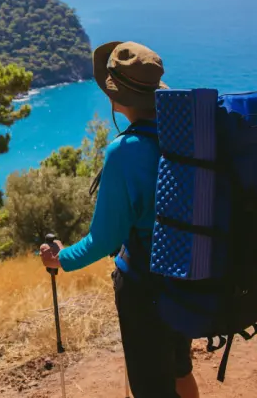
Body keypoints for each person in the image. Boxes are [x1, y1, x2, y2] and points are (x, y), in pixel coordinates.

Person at [40, 41, 200, 398]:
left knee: (149, 387)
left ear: (116, 97)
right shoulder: (188, 138)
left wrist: (59, 258)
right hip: (186, 274)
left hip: (146, 288)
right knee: (179, 368)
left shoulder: (124, 153)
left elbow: (104, 240)